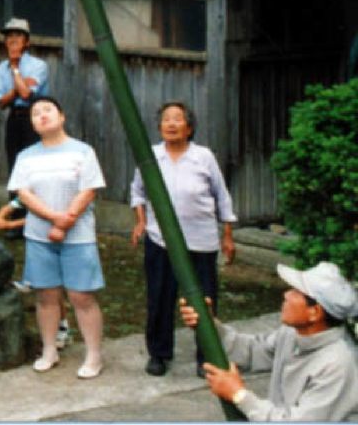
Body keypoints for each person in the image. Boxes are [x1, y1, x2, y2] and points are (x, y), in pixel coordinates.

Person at [130, 101, 237, 377]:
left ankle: (208, 355)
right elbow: (138, 192)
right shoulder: (150, 155)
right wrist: (141, 222)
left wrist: (228, 234)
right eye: (166, 119)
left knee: (204, 299)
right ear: (159, 126)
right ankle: (159, 354)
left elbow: (221, 196)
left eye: (178, 119)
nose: (171, 124)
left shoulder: (203, 156)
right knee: (159, 298)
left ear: (189, 128)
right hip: (160, 239)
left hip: (200, 240)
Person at [179, 261, 358, 421]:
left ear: (315, 312)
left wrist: (239, 395)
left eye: (297, 292)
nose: (286, 294)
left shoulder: (338, 364)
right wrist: (210, 326)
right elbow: (252, 351)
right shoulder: (292, 333)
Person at [7, 97, 107, 378]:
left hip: (78, 236)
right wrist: (53, 218)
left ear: (62, 116)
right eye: (35, 113)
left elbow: (89, 189)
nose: (41, 116)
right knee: (46, 294)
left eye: (47, 110)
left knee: (81, 295)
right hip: (40, 235)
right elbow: (23, 193)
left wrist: (66, 221)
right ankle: (49, 349)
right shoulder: (26, 156)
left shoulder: (82, 151)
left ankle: (94, 355)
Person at [0, 18, 50, 177]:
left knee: (34, 162)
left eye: (18, 35)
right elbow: (1, 102)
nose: (12, 39)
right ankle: (15, 200)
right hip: (14, 116)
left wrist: (15, 70)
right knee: (14, 162)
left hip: (35, 116)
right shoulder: (1, 68)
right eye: (9, 36)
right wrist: (18, 86)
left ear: (27, 42)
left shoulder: (38, 65)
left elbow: (26, 94)